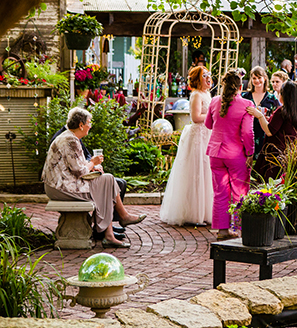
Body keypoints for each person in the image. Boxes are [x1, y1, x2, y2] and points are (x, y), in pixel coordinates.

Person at [42, 107, 145, 248]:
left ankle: (113, 229)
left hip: (64, 183)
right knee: (106, 183)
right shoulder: (70, 140)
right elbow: (80, 172)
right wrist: (93, 163)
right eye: (89, 123)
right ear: (81, 125)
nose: (90, 126)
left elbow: (76, 166)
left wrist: (93, 166)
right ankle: (119, 222)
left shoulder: (70, 137)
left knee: (107, 179)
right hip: (60, 188)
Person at [160, 66, 214, 226]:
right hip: (198, 136)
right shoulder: (196, 95)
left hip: (207, 135)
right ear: (198, 79)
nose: (208, 78)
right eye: (205, 76)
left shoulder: (207, 94)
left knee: (207, 173)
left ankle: (205, 211)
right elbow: (196, 117)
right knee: (196, 172)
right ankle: (193, 213)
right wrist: (212, 115)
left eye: (209, 75)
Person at [205, 70, 254, 241]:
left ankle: (222, 230)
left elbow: (208, 124)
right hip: (236, 153)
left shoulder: (214, 101)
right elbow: (248, 132)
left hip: (215, 153)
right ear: (241, 87)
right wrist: (250, 152)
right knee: (239, 191)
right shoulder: (247, 104)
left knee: (220, 192)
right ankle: (239, 228)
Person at [248, 80, 297, 180]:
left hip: (276, 155)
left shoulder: (282, 111)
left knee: (271, 185)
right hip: (292, 157)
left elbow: (269, 131)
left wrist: (260, 116)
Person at [241, 66, 279, 160]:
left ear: (264, 78)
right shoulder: (245, 96)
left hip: (264, 135)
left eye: (259, 78)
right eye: (254, 78)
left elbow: (277, 117)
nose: (257, 80)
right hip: (247, 135)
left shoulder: (272, 98)